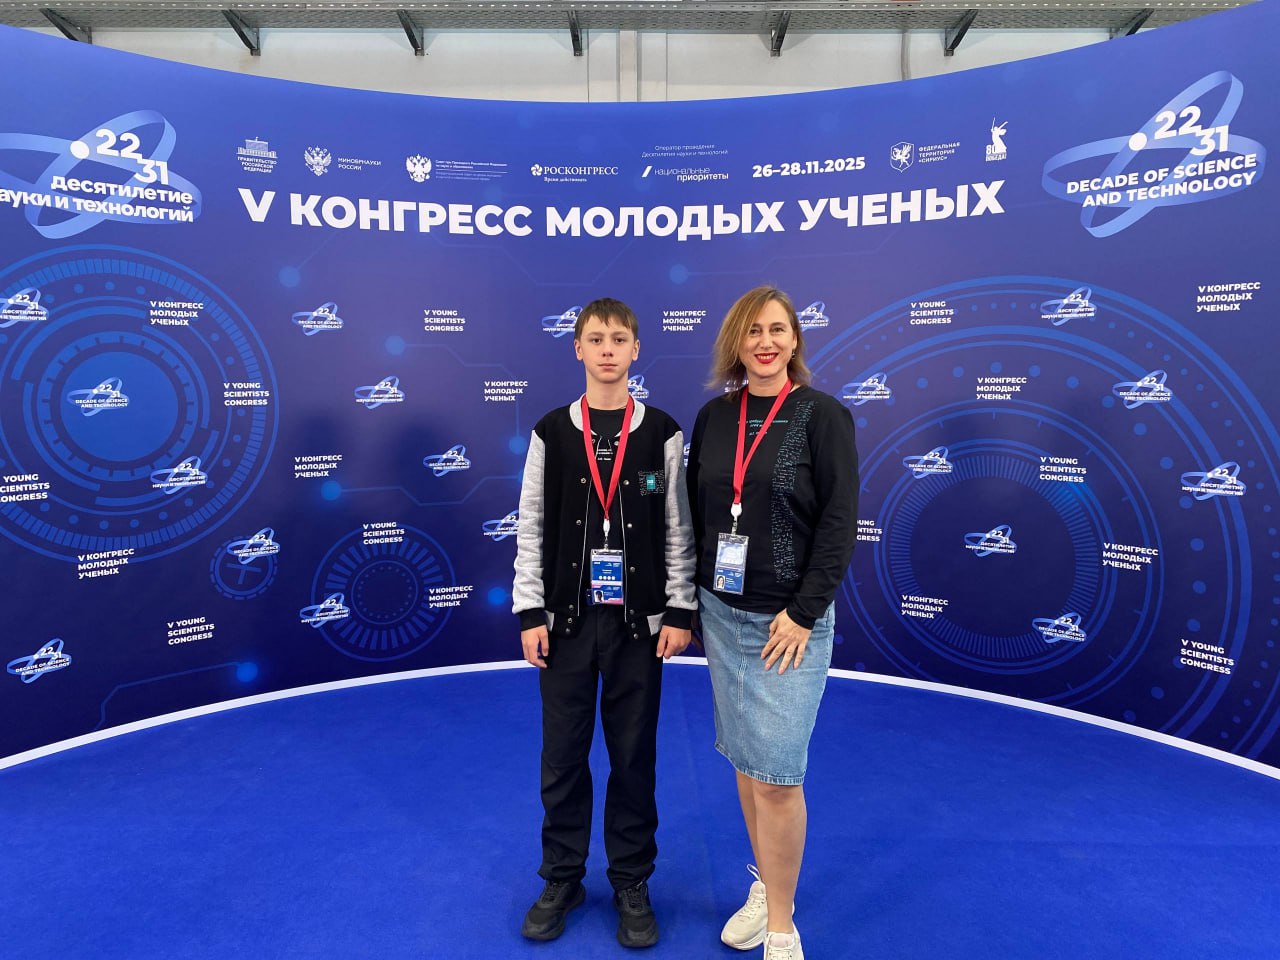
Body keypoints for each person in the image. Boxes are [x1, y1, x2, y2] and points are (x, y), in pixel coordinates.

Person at [513, 297, 696, 948]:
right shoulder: (551, 431)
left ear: (637, 349)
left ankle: (631, 880)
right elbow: (531, 524)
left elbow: (678, 527)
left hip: (637, 629)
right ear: (579, 349)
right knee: (562, 758)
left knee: (633, 758)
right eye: (596, 339)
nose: (609, 349)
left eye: (620, 338)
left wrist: (679, 608)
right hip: (565, 625)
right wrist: (530, 610)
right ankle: (562, 877)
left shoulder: (661, 432)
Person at [686, 286, 858, 960]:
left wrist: (804, 611)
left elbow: (839, 523)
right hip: (722, 614)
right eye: (753, 330)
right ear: (736, 341)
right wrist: (690, 603)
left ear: (794, 340)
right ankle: (765, 885)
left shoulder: (823, 415)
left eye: (777, 329)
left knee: (780, 777)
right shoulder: (713, 417)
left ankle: (782, 925)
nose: (765, 342)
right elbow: (698, 515)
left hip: (789, 625)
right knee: (748, 760)